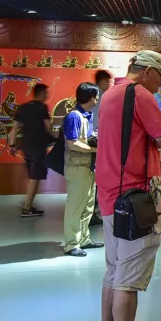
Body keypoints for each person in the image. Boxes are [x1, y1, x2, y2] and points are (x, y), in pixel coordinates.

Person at [95, 51, 161, 321]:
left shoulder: (109, 94)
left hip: (110, 195)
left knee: (114, 271)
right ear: (148, 71)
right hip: (135, 198)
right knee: (127, 280)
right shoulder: (140, 94)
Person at [62, 82, 103, 257]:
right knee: (75, 206)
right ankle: (71, 243)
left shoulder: (87, 116)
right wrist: (96, 149)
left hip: (88, 167)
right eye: (96, 96)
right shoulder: (74, 117)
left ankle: (84, 239)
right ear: (91, 97)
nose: (98, 99)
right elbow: (72, 143)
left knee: (88, 206)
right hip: (78, 167)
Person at [10, 84, 57, 217]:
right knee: (35, 176)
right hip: (38, 145)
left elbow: (14, 128)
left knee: (32, 174)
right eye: (46, 93)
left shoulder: (23, 107)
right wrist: (55, 136)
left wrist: (12, 145)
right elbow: (48, 127)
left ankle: (28, 203)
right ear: (41, 94)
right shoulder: (42, 108)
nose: (47, 95)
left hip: (26, 145)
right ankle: (27, 208)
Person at [89, 69, 113, 227]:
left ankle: (91, 210)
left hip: (90, 139)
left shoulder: (92, 95)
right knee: (97, 177)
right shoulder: (103, 96)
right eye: (108, 82)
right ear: (103, 81)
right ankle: (93, 211)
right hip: (98, 141)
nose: (109, 84)